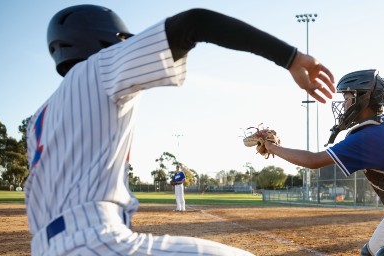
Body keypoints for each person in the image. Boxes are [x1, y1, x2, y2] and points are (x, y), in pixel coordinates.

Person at [24, 4, 335, 256]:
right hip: (96, 241)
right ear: (107, 41)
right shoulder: (100, 67)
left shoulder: (39, 120)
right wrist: (290, 57)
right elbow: (194, 23)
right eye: (122, 42)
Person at [262, 69, 384, 256]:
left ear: (363, 98)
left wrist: (273, 148)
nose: (343, 105)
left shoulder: (369, 135)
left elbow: (313, 160)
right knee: (369, 252)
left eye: (347, 97)